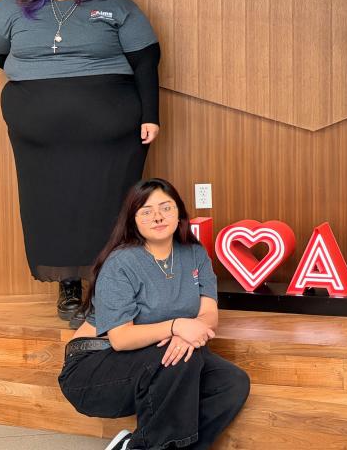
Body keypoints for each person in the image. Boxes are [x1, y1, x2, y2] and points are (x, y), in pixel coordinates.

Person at [0, 0, 161, 324]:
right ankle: (69, 286)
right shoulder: (11, 7)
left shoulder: (115, 5)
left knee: (110, 205)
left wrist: (151, 116)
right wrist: (39, 78)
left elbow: (147, 59)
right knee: (50, 204)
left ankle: (108, 285)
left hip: (111, 133)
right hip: (40, 137)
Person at [59, 178, 250, 450]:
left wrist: (184, 334)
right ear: (133, 220)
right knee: (178, 361)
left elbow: (209, 314)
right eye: (146, 211)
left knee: (231, 383)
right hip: (95, 366)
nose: (158, 217)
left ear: (179, 212)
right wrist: (176, 326)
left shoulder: (195, 254)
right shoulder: (121, 262)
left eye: (166, 208)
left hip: (157, 359)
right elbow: (120, 339)